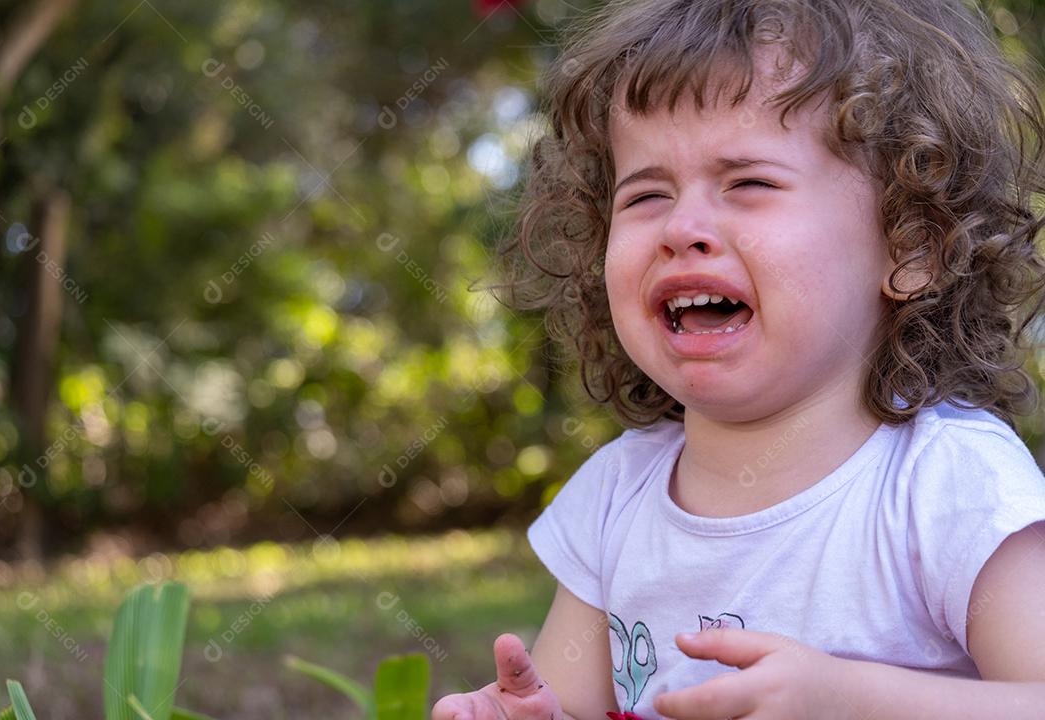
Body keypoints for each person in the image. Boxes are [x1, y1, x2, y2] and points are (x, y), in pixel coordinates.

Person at [433, 0, 1045, 717]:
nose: (682, 227)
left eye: (747, 184)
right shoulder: (614, 499)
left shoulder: (948, 490)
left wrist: (849, 700)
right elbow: (570, 701)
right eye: (647, 194)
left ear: (909, 246)